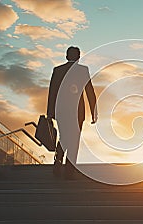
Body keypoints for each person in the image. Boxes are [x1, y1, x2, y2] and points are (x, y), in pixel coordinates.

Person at [46, 46, 97, 177]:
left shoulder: (57, 70)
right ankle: (69, 169)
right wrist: (94, 111)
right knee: (74, 139)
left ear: (67, 56)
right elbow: (89, 91)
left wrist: (50, 113)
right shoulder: (83, 70)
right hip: (78, 111)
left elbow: (52, 92)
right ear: (79, 57)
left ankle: (58, 158)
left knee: (64, 137)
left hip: (61, 110)